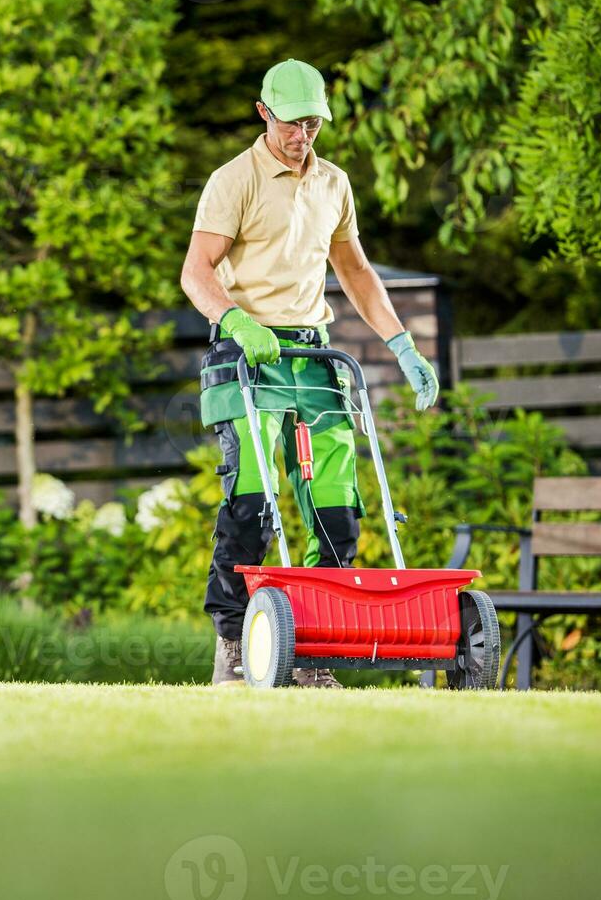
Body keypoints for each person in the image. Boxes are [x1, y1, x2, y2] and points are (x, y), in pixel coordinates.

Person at [179, 59, 438, 689]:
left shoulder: (334, 183)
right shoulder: (232, 180)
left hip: (314, 356)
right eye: (293, 123)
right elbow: (196, 271)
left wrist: (402, 344)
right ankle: (235, 643)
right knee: (251, 495)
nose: (304, 135)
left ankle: (313, 649)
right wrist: (236, 321)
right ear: (264, 113)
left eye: (314, 122)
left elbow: (354, 272)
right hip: (248, 356)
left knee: (336, 503)